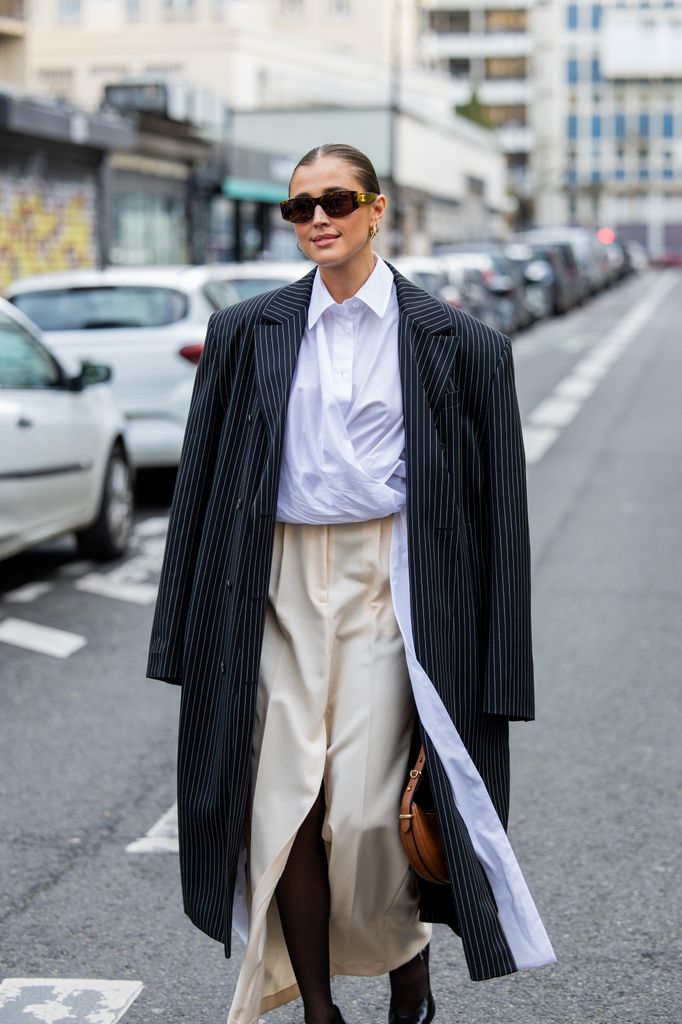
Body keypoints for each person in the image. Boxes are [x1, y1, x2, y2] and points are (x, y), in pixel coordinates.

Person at [147, 143, 555, 1024]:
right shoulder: (244, 331)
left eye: (336, 201)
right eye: (300, 208)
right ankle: (319, 1010)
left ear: (378, 209)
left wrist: (504, 670)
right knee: (286, 797)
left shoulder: (464, 345)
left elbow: (502, 518)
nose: (318, 219)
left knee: (371, 812)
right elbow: (201, 487)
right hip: (276, 582)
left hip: (393, 581)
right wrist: (176, 637)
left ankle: (407, 963)